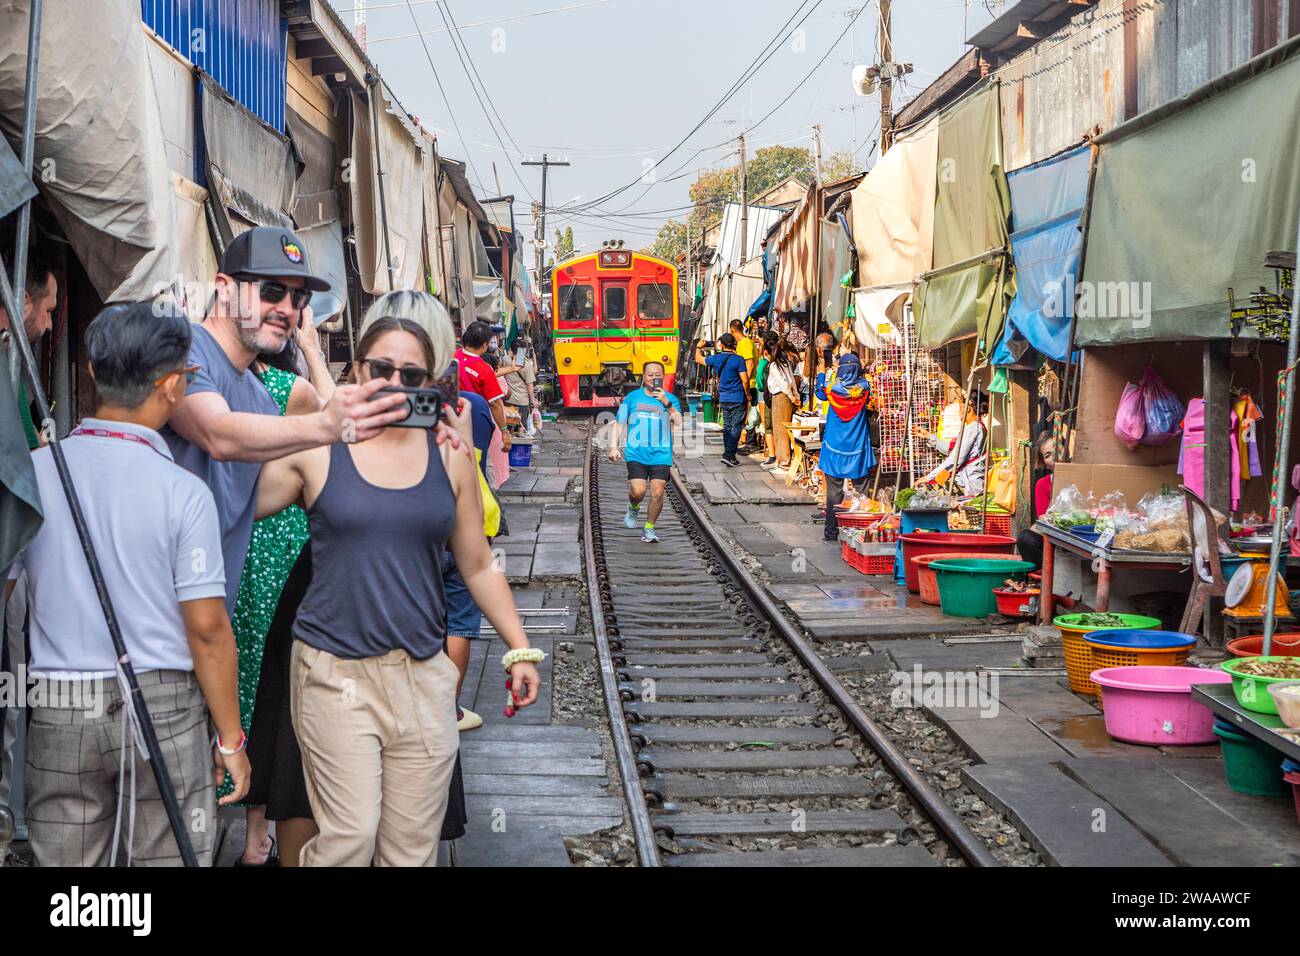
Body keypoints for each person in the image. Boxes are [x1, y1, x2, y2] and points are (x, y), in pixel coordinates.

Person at [255, 297, 542, 866]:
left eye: (411, 375)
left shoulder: (449, 455)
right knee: (349, 838)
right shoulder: (319, 447)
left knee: (410, 851)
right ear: (357, 370)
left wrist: (519, 649)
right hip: (333, 672)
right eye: (379, 369)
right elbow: (234, 500)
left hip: (422, 677)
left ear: (432, 381)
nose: (393, 383)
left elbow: (478, 564)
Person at [6, 299, 249, 866]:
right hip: (162, 708)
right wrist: (230, 741)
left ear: (92, 372)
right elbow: (208, 631)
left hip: (59, 705)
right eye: (188, 376)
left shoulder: (37, 475)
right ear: (169, 386)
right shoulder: (184, 492)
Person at [160, 226, 415, 616]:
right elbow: (217, 433)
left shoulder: (261, 396)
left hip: (206, 625)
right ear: (225, 288)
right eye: (271, 291)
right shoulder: (183, 349)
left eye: (298, 296)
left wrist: (417, 454)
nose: (287, 309)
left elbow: (273, 490)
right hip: (145, 629)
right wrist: (325, 425)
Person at [222, 315, 332, 867]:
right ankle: (258, 833)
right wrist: (314, 352)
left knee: (248, 680)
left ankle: (250, 830)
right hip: (277, 544)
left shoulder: (214, 392)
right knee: (270, 690)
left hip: (244, 543)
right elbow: (340, 446)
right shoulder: (294, 390)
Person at [0, 245, 56, 846]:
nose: (47, 324)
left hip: (16, 559)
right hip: (9, 560)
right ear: (19, 302)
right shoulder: (6, 370)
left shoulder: (15, 366)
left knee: (14, 690)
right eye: (44, 309)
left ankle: (9, 819)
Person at [608, 362, 683, 543]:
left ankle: (649, 528)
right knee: (638, 491)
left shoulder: (671, 399)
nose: (653, 378)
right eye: (650, 374)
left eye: (657, 374)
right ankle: (633, 506)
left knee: (657, 492)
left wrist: (667, 403)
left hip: (661, 453)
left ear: (663, 377)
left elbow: (678, 421)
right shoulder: (632, 398)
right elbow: (619, 422)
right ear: (643, 376)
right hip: (636, 452)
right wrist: (613, 446)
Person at [815, 354, 877, 542]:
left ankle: (832, 532)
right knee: (862, 493)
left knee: (834, 494)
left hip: (834, 448)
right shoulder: (864, 389)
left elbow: (819, 391)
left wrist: (821, 373)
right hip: (858, 448)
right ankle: (860, 532)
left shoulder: (832, 389)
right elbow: (866, 385)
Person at [917, 392, 989, 495]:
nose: (959, 411)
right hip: (963, 479)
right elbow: (953, 450)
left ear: (968, 408)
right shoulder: (974, 427)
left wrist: (929, 477)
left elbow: (956, 458)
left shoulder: (973, 428)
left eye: (960, 407)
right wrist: (929, 436)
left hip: (966, 482)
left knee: (923, 494)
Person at [456, 320, 512, 452]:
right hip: (474, 422)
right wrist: (504, 431)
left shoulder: (449, 357)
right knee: (477, 463)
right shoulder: (485, 369)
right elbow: (495, 403)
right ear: (485, 345)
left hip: (448, 419)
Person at [694, 333, 748, 467]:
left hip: (724, 398)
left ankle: (729, 455)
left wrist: (698, 347)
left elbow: (699, 360)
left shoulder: (716, 358)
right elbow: (745, 380)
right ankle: (729, 455)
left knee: (728, 427)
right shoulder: (739, 360)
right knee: (736, 427)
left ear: (722, 345)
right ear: (734, 344)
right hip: (738, 397)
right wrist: (748, 394)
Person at [1016, 431, 1057, 567]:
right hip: (1054, 537)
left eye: (1056, 450)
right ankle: (1047, 575)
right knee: (1025, 539)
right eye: (1047, 455)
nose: (1054, 457)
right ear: (1045, 463)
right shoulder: (1043, 484)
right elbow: (1044, 518)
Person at [765, 338, 802, 471]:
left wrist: (792, 397)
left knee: (780, 430)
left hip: (781, 397)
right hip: (787, 396)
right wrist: (795, 395)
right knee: (783, 429)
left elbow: (783, 383)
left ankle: (783, 461)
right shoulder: (785, 363)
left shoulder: (775, 365)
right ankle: (782, 459)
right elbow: (791, 381)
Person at [729, 319, 759, 453]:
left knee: (748, 414)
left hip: (749, 384)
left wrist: (744, 381)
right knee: (746, 414)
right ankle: (748, 442)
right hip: (747, 383)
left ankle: (751, 443)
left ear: (733, 330)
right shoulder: (744, 343)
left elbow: (750, 363)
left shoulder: (745, 343)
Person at [756, 331, 778, 466]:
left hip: (765, 395)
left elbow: (759, 380)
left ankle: (771, 454)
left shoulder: (765, 362)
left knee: (767, 425)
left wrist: (760, 388)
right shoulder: (782, 357)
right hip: (778, 396)